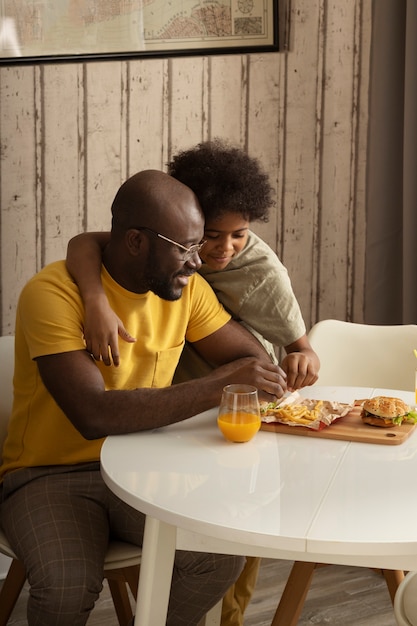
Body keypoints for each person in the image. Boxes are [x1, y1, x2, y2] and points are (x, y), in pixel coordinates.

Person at [0, 169, 289, 626]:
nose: (199, 262)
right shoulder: (52, 294)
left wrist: (245, 372)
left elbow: (249, 358)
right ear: (136, 242)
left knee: (217, 557)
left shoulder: (184, 291)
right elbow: (92, 414)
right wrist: (218, 385)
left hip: (141, 468)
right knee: (66, 588)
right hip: (49, 476)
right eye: (187, 248)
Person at [65, 140, 320, 626]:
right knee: (187, 522)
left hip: (230, 397)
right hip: (171, 396)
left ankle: (230, 618)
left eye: (239, 235)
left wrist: (301, 358)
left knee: (239, 530)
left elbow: (298, 345)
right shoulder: (164, 246)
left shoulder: (259, 270)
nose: (222, 249)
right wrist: (95, 300)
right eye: (208, 237)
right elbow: (87, 242)